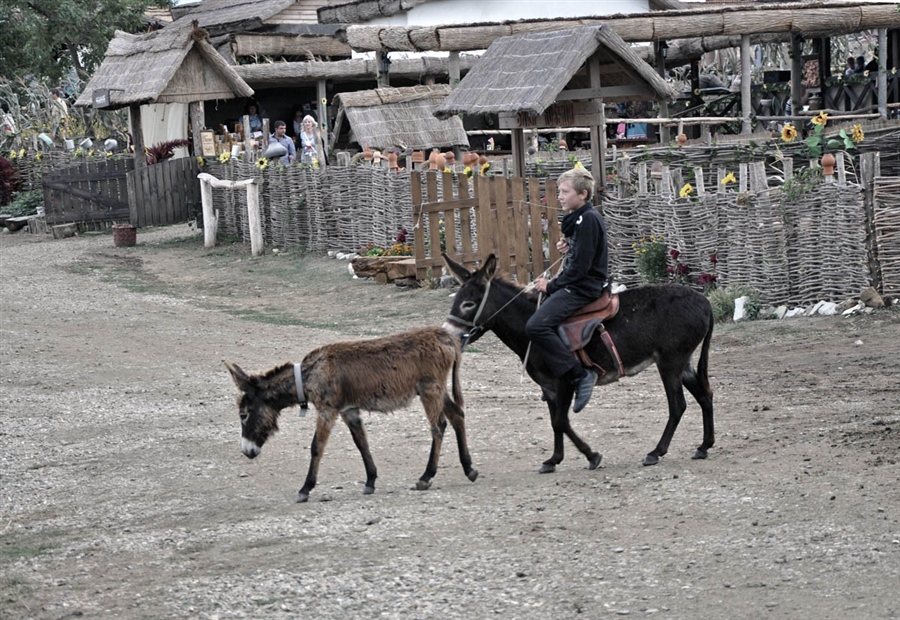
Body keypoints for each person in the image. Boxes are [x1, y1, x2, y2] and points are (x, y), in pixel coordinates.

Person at [526, 166, 609, 413]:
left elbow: (580, 270)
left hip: (583, 288)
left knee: (535, 326)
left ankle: (579, 375)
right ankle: (553, 374)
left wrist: (550, 285)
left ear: (582, 195)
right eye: (559, 191)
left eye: (564, 191)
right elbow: (582, 254)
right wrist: (570, 248)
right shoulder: (581, 219)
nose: (559, 196)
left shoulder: (588, 220)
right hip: (578, 284)